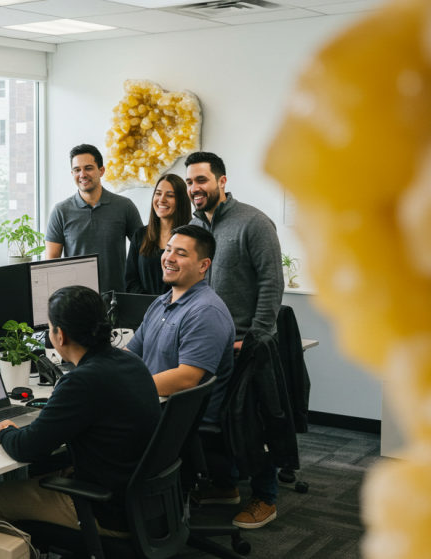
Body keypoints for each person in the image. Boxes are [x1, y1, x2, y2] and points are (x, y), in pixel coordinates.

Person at [0, 285, 161, 540]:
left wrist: (6, 430)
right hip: (143, 501)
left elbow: (27, 448)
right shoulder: (131, 362)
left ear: (59, 336)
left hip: (108, 510)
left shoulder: (81, 382)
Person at [185, 152, 284, 529]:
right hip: (208, 346)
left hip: (246, 346)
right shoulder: (193, 229)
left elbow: (272, 284)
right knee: (210, 421)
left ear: (222, 182)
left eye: (202, 180)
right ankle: (226, 486)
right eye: (190, 182)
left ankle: (266, 497)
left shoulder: (253, 223)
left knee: (252, 426)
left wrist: (255, 339)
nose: (195, 188)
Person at [124, 225, 234, 424]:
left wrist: (128, 386)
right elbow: (129, 353)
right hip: (153, 408)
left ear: (203, 265)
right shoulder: (161, 302)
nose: (169, 258)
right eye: (167, 249)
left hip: (182, 425)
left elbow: (186, 379)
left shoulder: (206, 311)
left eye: (180, 253)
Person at [46, 144, 143, 294]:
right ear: (72, 173)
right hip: (76, 301)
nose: (83, 174)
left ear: (101, 170)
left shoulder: (125, 206)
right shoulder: (60, 212)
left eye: (88, 168)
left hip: (117, 300)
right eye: (77, 170)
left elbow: (143, 251)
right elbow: (52, 265)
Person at [124, 174, 192, 295]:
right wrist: (152, 305)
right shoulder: (140, 235)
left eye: (170, 195)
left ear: (181, 201)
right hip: (146, 310)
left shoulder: (192, 237)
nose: (162, 199)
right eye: (158, 193)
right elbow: (131, 281)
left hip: (181, 310)